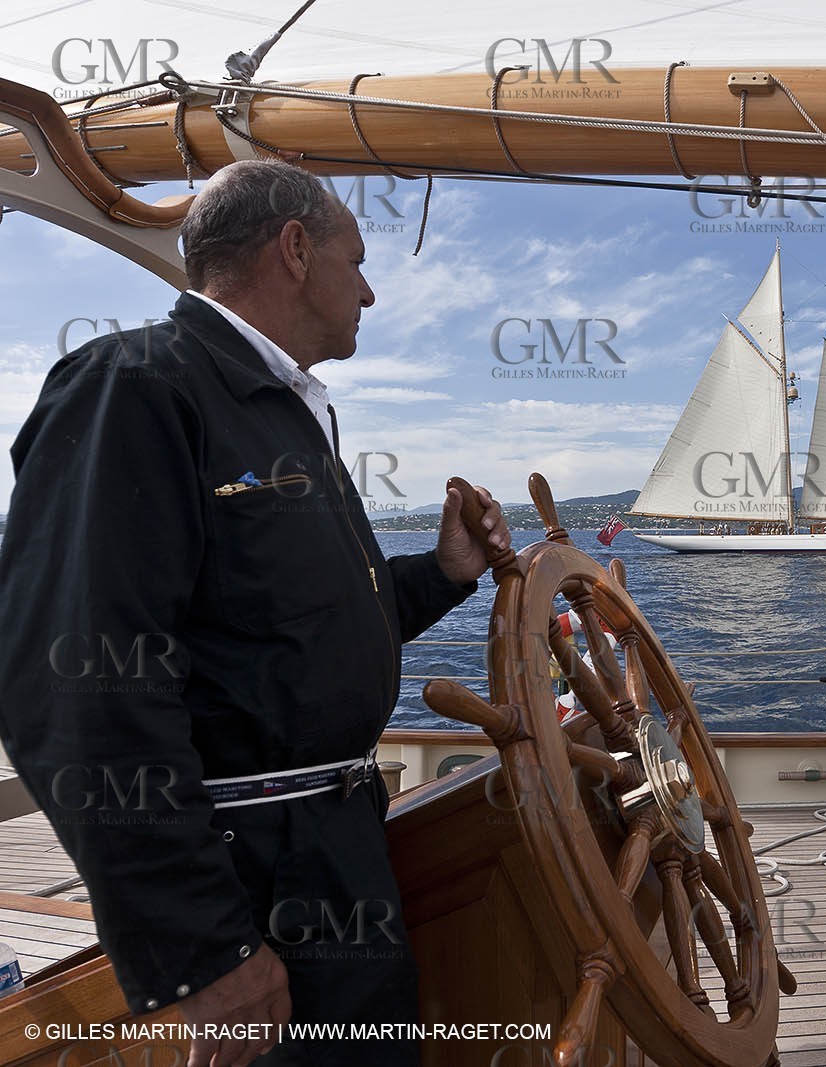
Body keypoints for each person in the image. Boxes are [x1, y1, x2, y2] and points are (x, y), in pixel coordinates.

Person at [0, 158, 510, 1066]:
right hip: (254, 879)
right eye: (358, 262)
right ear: (296, 249)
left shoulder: (283, 411)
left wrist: (445, 572)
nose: (370, 291)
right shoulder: (135, 384)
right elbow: (70, 683)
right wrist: (202, 949)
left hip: (337, 850)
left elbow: (298, 635)